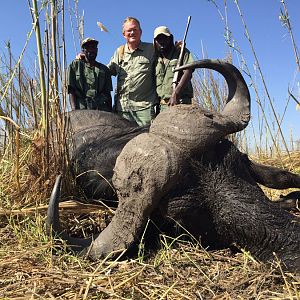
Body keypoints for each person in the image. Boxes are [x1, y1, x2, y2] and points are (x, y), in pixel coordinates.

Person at [108, 17, 159, 126]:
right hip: (123, 110)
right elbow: (106, 72)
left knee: (146, 141)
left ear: (140, 32)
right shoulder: (119, 51)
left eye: (135, 29)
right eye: (129, 30)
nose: (132, 32)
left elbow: (167, 54)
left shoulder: (152, 49)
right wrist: (85, 61)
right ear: (124, 34)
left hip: (144, 108)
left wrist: (178, 47)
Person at [154, 26, 194, 112]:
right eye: (158, 39)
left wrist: (176, 93)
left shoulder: (181, 52)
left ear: (170, 38)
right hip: (163, 106)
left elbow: (188, 71)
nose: (162, 41)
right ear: (155, 41)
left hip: (181, 102)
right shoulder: (156, 59)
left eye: (165, 38)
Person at [67, 37, 113, 111]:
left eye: (93, 47)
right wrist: (74, 110)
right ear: (83, 51)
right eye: (88, 48)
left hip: (101, 110)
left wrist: (111, 112)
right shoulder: (74, 66)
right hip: (81, 109)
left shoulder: (104, 69)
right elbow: (71, 90)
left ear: (97, 50)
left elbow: (108, 93)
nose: (91, 50)